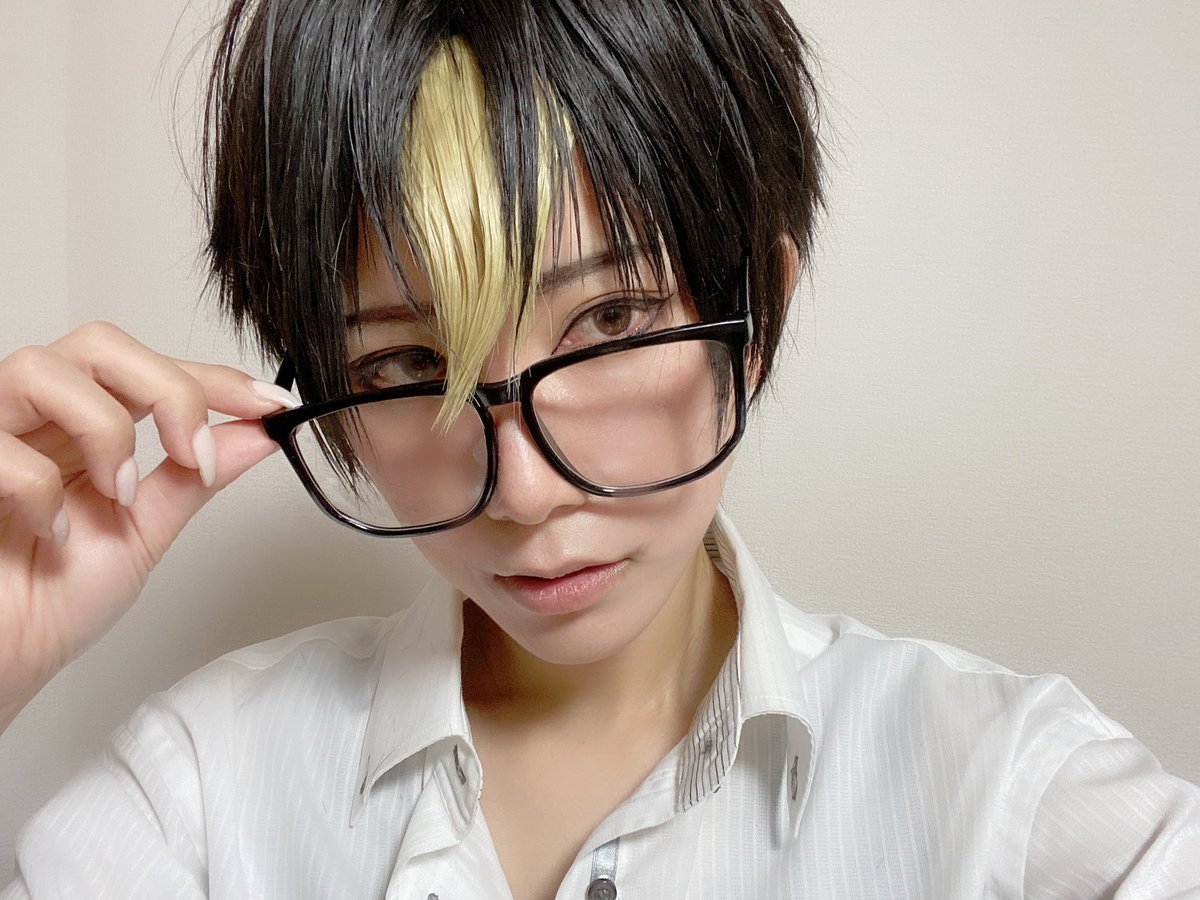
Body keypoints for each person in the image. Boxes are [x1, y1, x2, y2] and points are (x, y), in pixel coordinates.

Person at [1, 1, 1198, 897]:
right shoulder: (203, 797)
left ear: (756, 319)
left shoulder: (1000, 792)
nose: (524, 492)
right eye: (410, 369)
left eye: (613, 322)